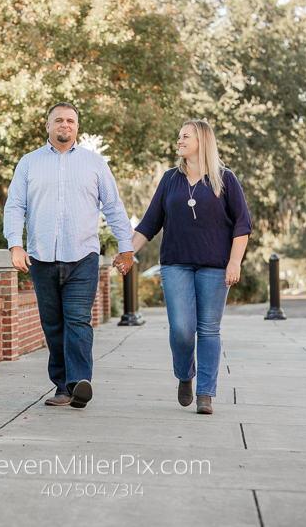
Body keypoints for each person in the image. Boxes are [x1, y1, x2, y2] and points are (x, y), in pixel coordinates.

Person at [114, 119, 251, 414]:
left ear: (202, 141)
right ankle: (185, 374)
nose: (179, 140)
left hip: (215, 267)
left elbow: (242, 225)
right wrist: (127, 252)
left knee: (209, 330)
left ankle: (205, 394)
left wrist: (234, 262)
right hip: (176, 264)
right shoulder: (170, 180)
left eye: (185, 136)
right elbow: (149, 223)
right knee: (181, 330)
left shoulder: (225, 179)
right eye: (179, 136)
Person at [4, 102, 134, 409]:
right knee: (53, 324)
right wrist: (15, 244)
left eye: (71, 121)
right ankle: (62, 385)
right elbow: (15, 206)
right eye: (59, 120)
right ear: (47, 126)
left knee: (77, 320)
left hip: (82, 257)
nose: (66, 124)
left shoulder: (94, 163)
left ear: (77, 127)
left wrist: (125, 247)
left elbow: (113, 206)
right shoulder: (29, 163)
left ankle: (78, 383)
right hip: (41, 258)